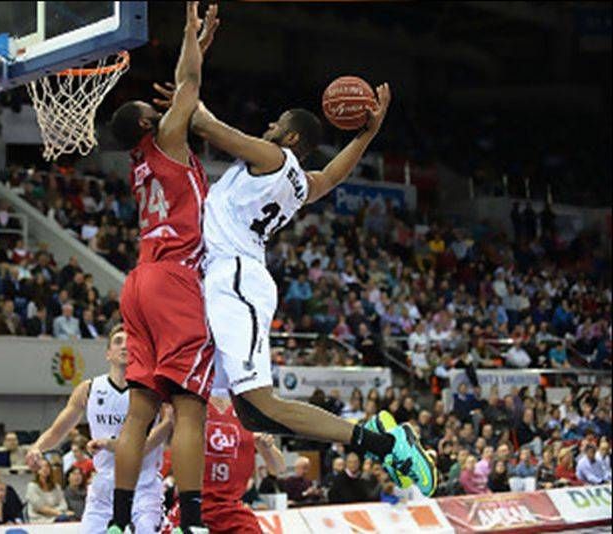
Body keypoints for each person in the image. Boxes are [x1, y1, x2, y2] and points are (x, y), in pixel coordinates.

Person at [155, 48, 433, 497]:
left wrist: (187, 96)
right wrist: (366, 136)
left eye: (276, 124)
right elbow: (331, 178)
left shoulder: (273, 157)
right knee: (254, 414)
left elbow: (204, 124)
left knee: (261, 403)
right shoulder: (300, 181)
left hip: (235, 279)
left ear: (292, 139)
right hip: (233, 280)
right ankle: (382, 440)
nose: (268, 127)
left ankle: (388, 445)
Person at [106, 4, 221, 532]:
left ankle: (118, 521)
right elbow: (189, 82)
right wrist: (189, 38)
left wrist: (198, 49)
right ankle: (194, 520)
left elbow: (188, 92)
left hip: (138, 282)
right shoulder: (167, 141)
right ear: (151, 124)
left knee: (139, 412)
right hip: (174, 278)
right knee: (191, 407)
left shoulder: (139, 162)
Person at [26, 325, 172, 533]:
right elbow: (57, 431)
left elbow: (167, 426)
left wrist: (114, 445)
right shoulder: (89, 389)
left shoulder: (153, 389)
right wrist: (37, 448)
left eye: (129, 342)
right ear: (108, 354)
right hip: (104, 487)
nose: (124, 346)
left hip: (144, 486)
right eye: (118, 342)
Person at [164, 389, 285, 533]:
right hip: (193, 505)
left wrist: (267, 447)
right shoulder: (189, 401)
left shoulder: (248, 410)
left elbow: (278, 469)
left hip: (231, 509)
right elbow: (164, 443)